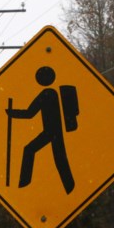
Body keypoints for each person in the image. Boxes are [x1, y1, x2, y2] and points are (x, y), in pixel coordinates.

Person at [7, 66, 77, 194]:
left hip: (51, 132)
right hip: (55, 131)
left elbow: (30, 113)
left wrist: (12, 113)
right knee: (60, 160)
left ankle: (24, 185)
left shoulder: (47, 94)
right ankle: (70, 188)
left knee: (30, 150)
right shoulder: (52, 93)